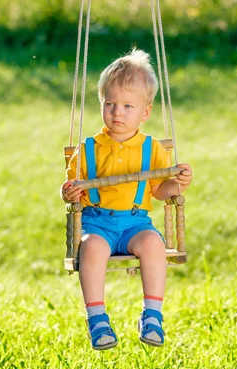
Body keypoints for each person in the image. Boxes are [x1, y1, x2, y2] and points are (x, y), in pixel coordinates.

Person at [60, 48, 192, 350]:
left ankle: (153, 315)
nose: (117, 112)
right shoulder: (89, 148)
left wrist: (177, 183)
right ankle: (97, 318)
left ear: (145, 113)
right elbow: (69, 186)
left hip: (135, 223)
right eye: (110, 104)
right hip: (97, 222)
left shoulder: (152, 149)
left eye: (127, 106)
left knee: (153, 244)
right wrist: (68, 192)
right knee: (90, 248)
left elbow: (159, 191)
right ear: (102, 105)